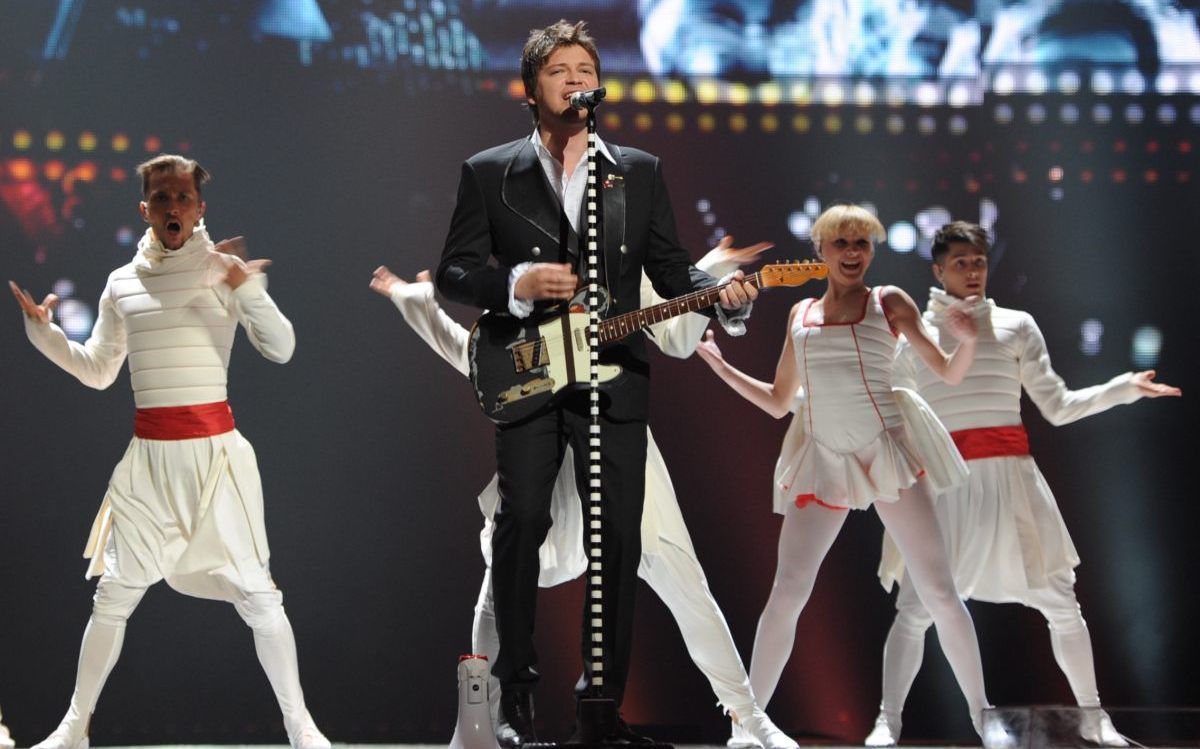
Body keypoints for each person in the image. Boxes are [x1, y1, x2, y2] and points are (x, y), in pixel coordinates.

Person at [434, 19, 758, 744]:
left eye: (588, 66)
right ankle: (514, 700)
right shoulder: (491, 171)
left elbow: (673, 270)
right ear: (531, 89)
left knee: (617, 542)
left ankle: (599, 710)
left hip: (615, 382)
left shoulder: (637, 171)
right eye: (562, 69)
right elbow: (455, 271)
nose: (578, 78)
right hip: (530, 377)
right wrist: (513, 282)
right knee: (521, 526)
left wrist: (721, 297)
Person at [372, 238, 796, 749]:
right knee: (504, 583)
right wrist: (414, 301)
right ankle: (476, 723)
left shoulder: (624, 261)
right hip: (550, 449)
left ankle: (749, 718)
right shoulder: (529, 276)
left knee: (685, 582)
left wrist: (716, 276)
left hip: (622, 443)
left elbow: (674, 324)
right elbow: (474, 356)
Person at [9, 155, 329, 749]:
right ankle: (74, 728)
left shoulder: (223, 269)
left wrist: (244, 286)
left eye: (183, 197)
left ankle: (300, 726)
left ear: (200, 207)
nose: (173, 206)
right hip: (148, 463)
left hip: (215, 460)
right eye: (162, 198)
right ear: (145, 209)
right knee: (113, 596)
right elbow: (100, 370)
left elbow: (281, 347)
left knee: (259, 597)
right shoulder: (121, 283)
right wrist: (45, 336)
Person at [866, 221, 1181, 747]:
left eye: (979, 262)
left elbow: (1056, 406)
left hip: (1012, 482)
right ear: (938, 269)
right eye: (961, 262)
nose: (972, 271)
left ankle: (1094, 718)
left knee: (1061, 602)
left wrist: (1122, 388)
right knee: (915, 609)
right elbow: (890, 406)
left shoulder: (1016, 326)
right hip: (944, 489)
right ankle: (887, 721)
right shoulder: (917, 331)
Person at [694, 204, 994, 742]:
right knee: (786, 592)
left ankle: (984, 719)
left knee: (940, 593)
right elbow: (779, 400)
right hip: (824, 459)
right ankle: (746, 726)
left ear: (872, 251)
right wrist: (719, 366)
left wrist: (967, 340)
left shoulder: (890, 302)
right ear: (821, 251)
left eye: (862, 244)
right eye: (842, 243)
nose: (853, 253)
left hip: (886, 456)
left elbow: (946, 371)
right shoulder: (801, 314)